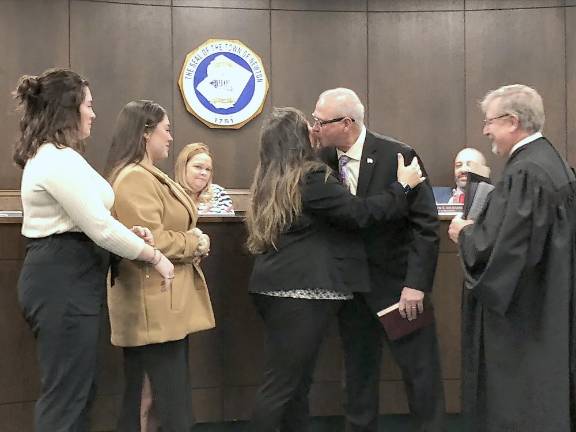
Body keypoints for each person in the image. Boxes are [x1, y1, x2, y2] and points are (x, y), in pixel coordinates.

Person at [13, 68, 173, 432]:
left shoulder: (62, 156)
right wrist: (155, 256)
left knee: (79, 391)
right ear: (68, 110)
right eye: (89, 105)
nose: (94, 113)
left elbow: (93, 221)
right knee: (66, 396)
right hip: (60, 280)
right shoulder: (55, 159)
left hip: (73, 278)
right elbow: (99, 228)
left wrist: (128, 234)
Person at [246, 107, 425, 432]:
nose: (315, 130)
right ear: (297, 139)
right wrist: (404, 187)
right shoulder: (311, 177)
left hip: (272, 288)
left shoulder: (270, 176)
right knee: (282, 386)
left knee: (294, 384)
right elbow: (360, 214)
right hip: (301, 294)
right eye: (308, 126)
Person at [313, 88, 445, 432]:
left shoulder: (398, 155)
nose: (314, 127)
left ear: (346, 123)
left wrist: (416, 285)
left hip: (399, 291)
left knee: (420, 374)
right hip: (350, 292)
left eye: (320, 121)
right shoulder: (320, 163)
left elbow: (425, 226)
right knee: (357, 378)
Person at [448, 84, 576, 432]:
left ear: (512, 121)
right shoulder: (549, 161)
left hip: (525, 312)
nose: (486, 130)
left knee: (521, 402)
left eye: (489, 122)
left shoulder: (525, 173)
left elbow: (502, 252)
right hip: (548, 298)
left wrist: (465, 234)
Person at [105, 100, 215, 432]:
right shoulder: (134, 178)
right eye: (166, 130)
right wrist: (194, 242)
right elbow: (148, 241)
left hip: (164, 304)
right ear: (145, 132)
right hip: (151, 303)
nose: (170, 138)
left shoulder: (148, 174)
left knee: (164, 398)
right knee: (155, 400)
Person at [175, 143, 234, 215]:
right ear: (183, 168)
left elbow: (228, 225)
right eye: (198, 167)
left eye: (208, 169)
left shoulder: (219, 193)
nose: (204, 173)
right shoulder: (170, 194)